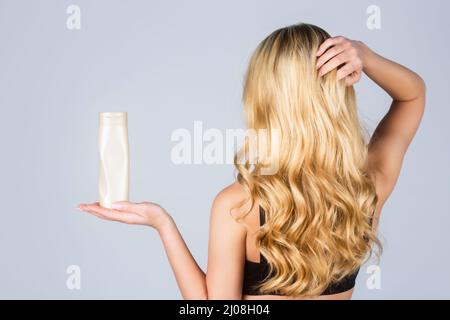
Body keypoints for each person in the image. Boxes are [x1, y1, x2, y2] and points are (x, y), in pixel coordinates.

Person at [78, 23, 425, 300]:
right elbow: (412, 95)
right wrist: (365, 55)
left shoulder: (238, 205)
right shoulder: (367, 188)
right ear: (337, 94)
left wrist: (163, 224)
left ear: (263, 101)